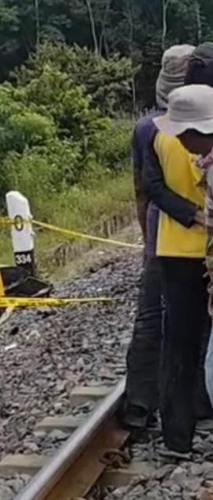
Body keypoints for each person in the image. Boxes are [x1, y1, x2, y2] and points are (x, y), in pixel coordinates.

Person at [122, 44, 201, 430]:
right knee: (193, 324)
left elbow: (144, 191)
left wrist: (146, 240)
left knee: (154, 317)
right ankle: (197, 401)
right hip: (195, 236)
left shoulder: (146, 128)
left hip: (162, 236)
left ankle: (139, 401)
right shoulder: (197, 126)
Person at [149, 83, 211, 459]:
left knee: (179, 344)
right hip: (206, 250)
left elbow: (152, 189)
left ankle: (176, 436)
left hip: (175, 248)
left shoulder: (152, 133)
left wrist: (189, 216)